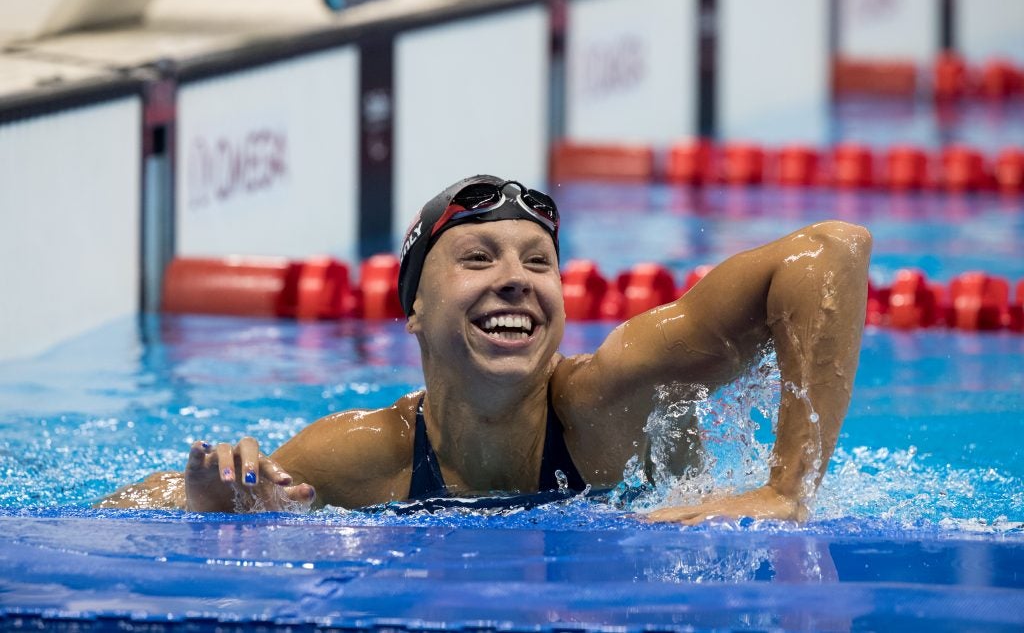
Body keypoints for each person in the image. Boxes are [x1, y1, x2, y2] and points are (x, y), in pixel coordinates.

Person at [99, 175, 872, 524]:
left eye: (539, 264)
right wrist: (212, 506)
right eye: (478, 260)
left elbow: (832, 251)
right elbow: (122, 504)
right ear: (413, 313)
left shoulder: (615, 398)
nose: (515, 282)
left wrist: (785, 487)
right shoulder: (368, 455)